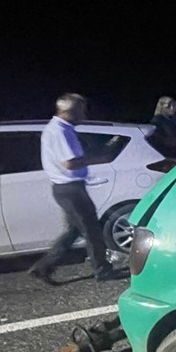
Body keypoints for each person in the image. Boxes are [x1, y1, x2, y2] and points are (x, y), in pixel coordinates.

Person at [29, 93, 122, 284]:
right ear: (68, 112)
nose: (84, 115)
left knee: (75, 230)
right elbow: (70, 163)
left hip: (66, 189)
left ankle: (42, 267)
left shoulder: (59, 129)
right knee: (92, 230)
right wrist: (100, 159)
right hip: (71, 189)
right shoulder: (60, 132)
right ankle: (102, 270)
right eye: (80, 111)